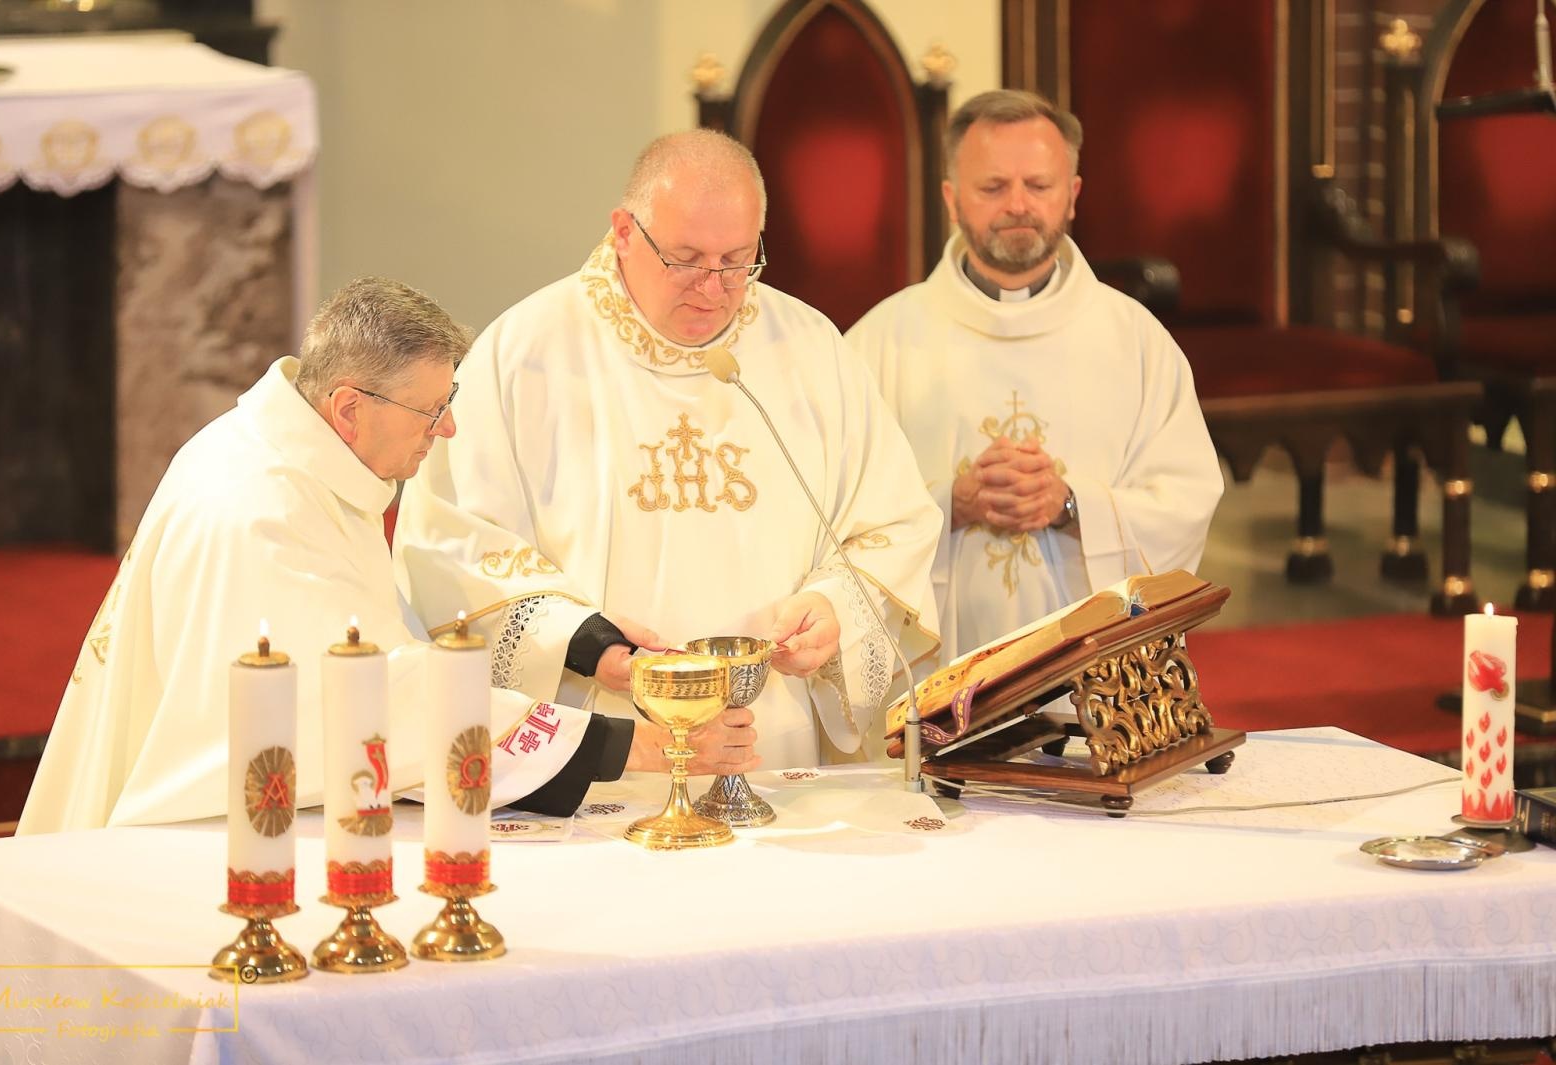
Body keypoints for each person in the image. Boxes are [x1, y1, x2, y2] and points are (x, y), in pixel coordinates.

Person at [19, 278, 652, 834]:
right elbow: (363, 699)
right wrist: (616, 746)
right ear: (349, 408)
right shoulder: (260, 510)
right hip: (203, 841)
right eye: (432, 411)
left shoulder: (295, 461)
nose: (447, 429)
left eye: (449, 402)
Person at [393, 130, 941, 768]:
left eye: (737, 261)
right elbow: (453, 546)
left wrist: (834, 608)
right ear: (625, 232)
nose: (713, 288)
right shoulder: (524, 354)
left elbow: (893, 525)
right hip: (603, 752)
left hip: (775, 746)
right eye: (685, 260)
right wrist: (584, 644)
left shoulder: (810, 349)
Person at [847, 90, 1223, 662]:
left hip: (1095, 680)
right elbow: (835, 514)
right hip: (935, 677)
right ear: (952, 199)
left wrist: (1072, 507)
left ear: (1072, 195)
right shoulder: (880, 342)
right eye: (993, 187)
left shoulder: (1136, 341)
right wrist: (950, 505)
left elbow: (1185, 501)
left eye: (1039, 185)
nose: (1018, 205)